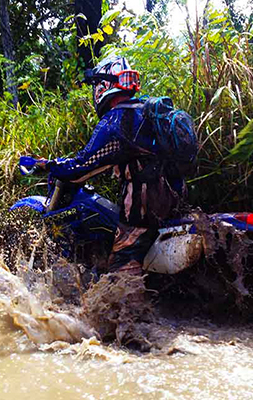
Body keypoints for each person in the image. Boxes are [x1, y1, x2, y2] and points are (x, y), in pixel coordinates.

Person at [42, 56, 188, 275]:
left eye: (96, 86)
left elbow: (82, 167)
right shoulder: (144, 111)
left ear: (104, 85)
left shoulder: (117, 119)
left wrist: (51, 165)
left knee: (121, 270)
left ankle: (126, 306)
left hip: (144, 205)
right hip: (174, 196)